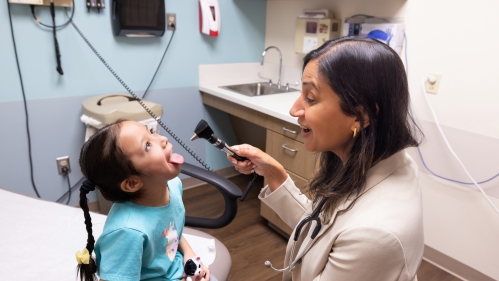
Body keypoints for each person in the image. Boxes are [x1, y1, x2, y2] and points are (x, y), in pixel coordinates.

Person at [228, 37, 424, 281]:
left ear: (361, 115)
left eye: (310, 98)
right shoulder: (373, 162)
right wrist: (273, 173)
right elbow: (319, 230)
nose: (294, 109)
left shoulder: (374, 235)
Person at [76, 120, 211, 281]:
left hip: (174, 269)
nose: (163, 139)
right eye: (147, 145)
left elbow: (169, 229)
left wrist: (189, 254)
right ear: (133, 183)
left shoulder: (173, 186)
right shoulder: (128, 231)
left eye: (152, 132)